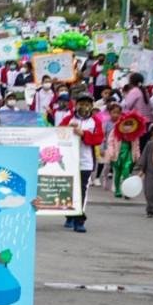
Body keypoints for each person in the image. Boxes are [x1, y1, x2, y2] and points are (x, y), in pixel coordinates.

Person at [60, 93, 104, 233]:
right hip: (68, 160)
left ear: (91, 106)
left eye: (87, 104)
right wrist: (67, 129)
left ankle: (79, 219)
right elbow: (57, 134)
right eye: (81, 103)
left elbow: (98, 139)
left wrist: (83, 134)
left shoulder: (95, 121)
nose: (84, 107)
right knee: (67, 189)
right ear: (76, 105)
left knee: (82, 190)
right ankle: (69, 215)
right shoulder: (68, 118)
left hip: (86, 161)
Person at [133, 122, 153, 216]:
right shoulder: (149, 145)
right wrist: (141, 169)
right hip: (151, 172)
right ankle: (151, 209)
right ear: (152, 134)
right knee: (150, 191)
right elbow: (144, 157)